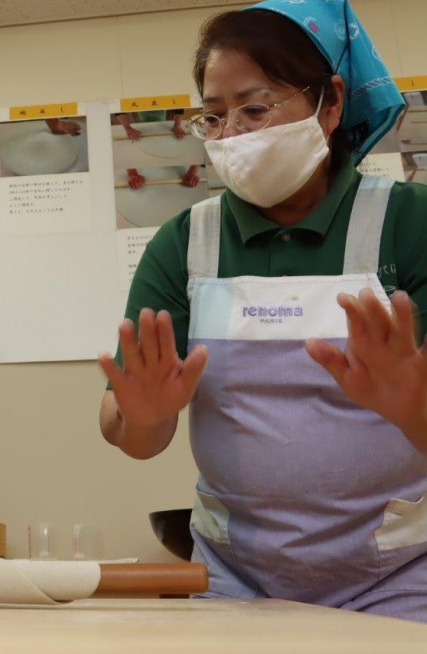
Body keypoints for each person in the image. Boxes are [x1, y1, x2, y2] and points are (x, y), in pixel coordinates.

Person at [98, 0, 427, 622]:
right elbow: (136, 435)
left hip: (402, 579)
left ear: (330, 103)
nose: (232, 136)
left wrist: (415, 407)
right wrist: (141, 416)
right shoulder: (184, 244)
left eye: (255, 108)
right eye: (214, 117)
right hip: (234, 578)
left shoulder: (410, 224)